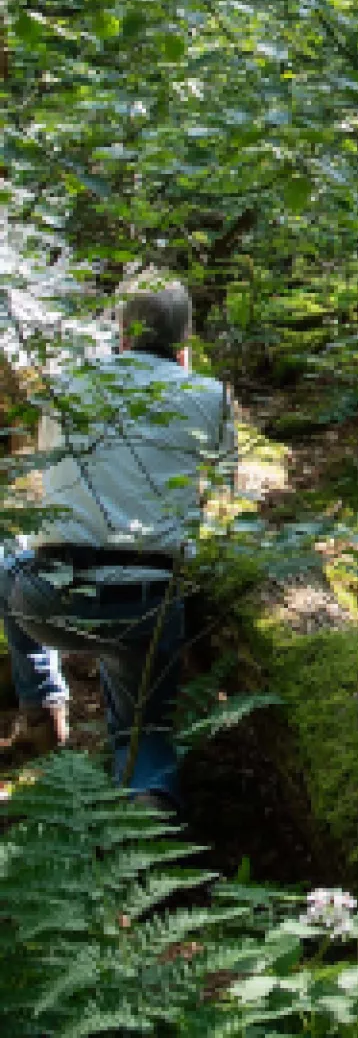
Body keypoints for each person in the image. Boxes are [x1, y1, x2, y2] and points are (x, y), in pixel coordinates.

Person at [0, 283, 237, 805]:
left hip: (49, 598)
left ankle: (41, 703)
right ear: (185, 343)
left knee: (6, 556)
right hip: (146, 601)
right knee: (142, 730)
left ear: (122, 336)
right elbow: (225, 492)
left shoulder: (64, 387)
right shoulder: (209, 394)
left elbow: (51, 477)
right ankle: (147, 805)